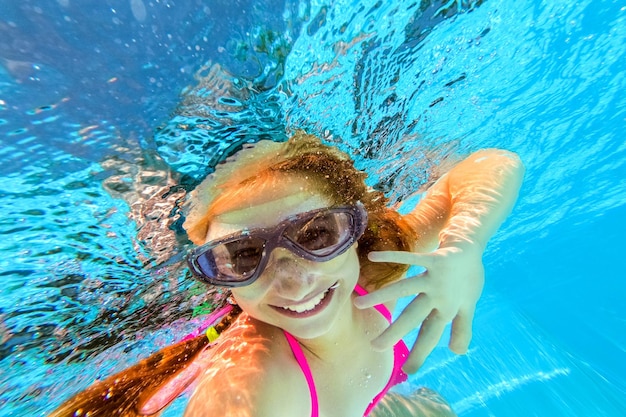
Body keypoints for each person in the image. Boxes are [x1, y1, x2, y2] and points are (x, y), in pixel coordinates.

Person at [49, 131, 524, 417]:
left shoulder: (376, 271)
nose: (294, 281)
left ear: (356, 233)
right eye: (240, 255)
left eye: (317, 235)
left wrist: (464, 247)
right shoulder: (256, 386)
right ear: (218, 277)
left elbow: (492, 164)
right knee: (157, 210)